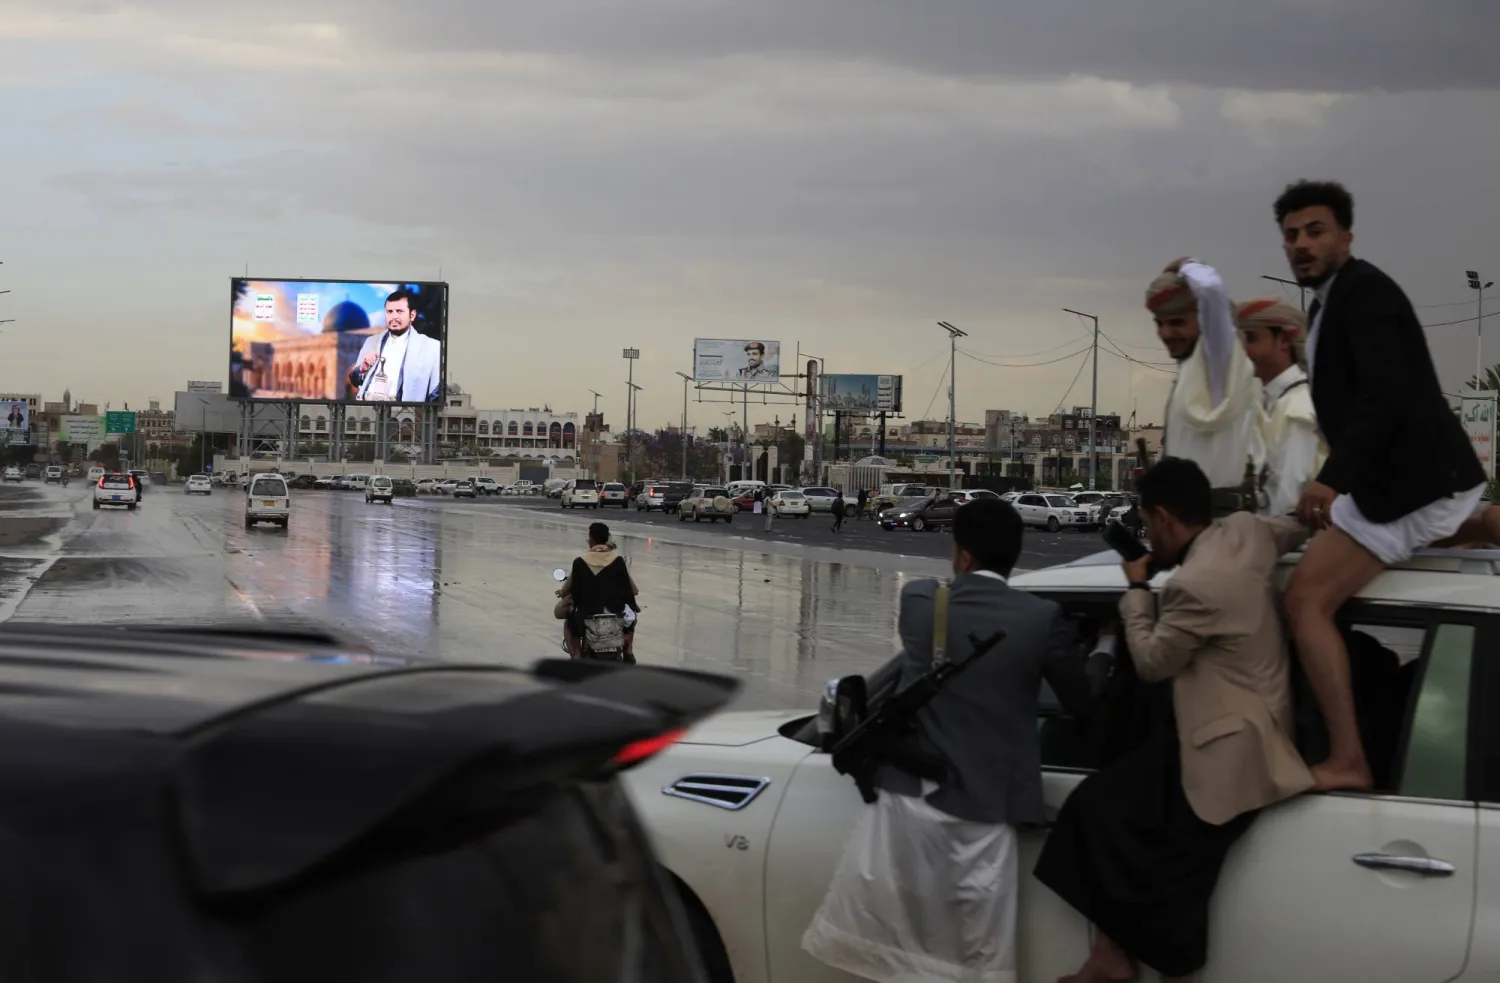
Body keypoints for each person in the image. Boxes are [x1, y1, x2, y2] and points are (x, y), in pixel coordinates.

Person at [803, 499, 1115, 983]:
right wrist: (1105, 648)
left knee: (893, 954)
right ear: (1012, 554)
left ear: (963, 556)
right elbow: (1081, 701)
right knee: (972, 961)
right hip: (984, 815)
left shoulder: (923, 602)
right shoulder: (1041, 619)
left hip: (909, 808)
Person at [1035, 458, 1313, 983]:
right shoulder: (1245, 533)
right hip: (1247, 720)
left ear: (1163, 517)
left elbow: (1152, 662)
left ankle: (1141, 965)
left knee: (1150, 855)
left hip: (1234, 749)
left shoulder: (1196, 584)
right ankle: (1110, 957)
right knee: (1113, 815)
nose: (1146, 533)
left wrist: (1137, 593)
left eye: (1144, 521)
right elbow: (1291, 526)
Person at [1274, 180, 1485, 790]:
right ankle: (1485, 522)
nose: (1302, 245)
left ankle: (1348, 759)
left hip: (1408, 486)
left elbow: (1384, 394)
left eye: (1315, 231)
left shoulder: (1365, 293)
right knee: (1459, 527)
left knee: (1305, 602)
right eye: (1291, 235)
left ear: (1346, 235)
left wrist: (1331, 480)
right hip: (1414, 482)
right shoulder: (1330, 302)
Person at [1146, 258, 1265, 514]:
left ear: (1204, 320)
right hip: (1185, 524)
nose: (1166, 334)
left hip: (1216, 525)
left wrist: (1186, 266)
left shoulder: (1219, 364)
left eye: (1177, 322)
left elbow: (1210, 289)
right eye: (1160, 324)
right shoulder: (1192, 371)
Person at [1235, 297, 1325, 517]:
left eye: (1251, 338)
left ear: (1284, 340)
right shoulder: (1270, 402)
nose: (1242, 350)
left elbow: (1288, 498)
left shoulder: (1300, 407)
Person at [554, 522, 640, 662]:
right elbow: (630, 590)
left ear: (591, 540)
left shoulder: (580, 562)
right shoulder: (617, 560)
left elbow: (574, 592)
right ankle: (628, 650)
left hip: (587, 613)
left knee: (569, 624)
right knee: (631, 621)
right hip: (615, 610)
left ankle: (576, 655)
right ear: (607, 539)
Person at [347, 289, 443, 403]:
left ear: (412, 315)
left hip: (405, 415)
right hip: (369, 412)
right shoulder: (371, 341)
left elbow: (436, 394)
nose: (394, 317)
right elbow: (355, 380)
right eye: (390, 312)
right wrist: (362, 369)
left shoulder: (431, 347)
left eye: (399, 311)